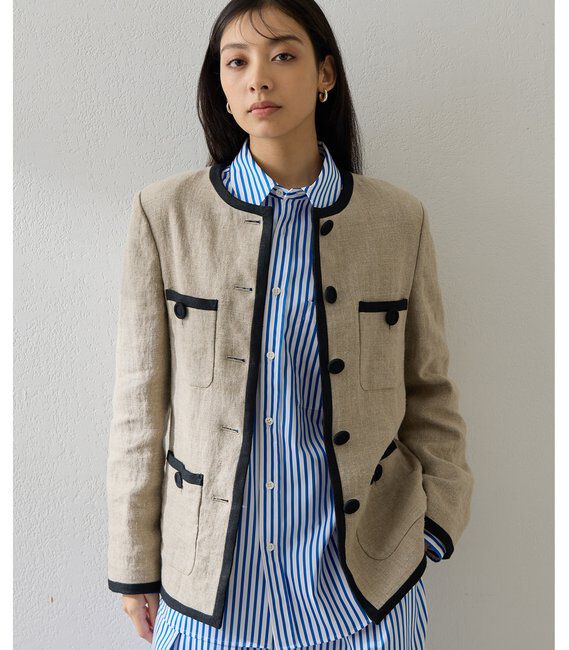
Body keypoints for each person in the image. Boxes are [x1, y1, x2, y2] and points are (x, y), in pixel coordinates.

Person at [106, 1, 474, 648]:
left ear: (324, 73)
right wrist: (134, 563)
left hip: (368, 588)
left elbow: (430, 392)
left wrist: (436, 522)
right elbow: (138, 407)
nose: (258, 78)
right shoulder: (165, 217)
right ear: (221, 88)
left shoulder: (398, 222)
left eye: (282, 54)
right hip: (210, 586)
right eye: (237, 62)